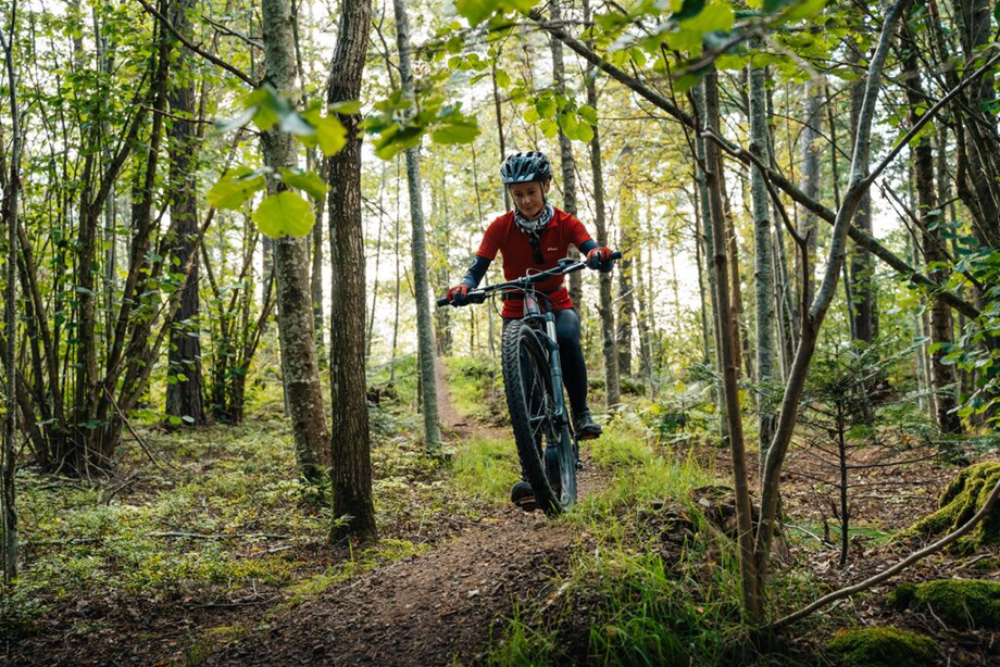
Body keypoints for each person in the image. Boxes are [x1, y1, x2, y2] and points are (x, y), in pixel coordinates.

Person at [445, 150, 615, 506]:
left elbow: (588, 245)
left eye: (531, 192)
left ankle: (581, 412)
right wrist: (464, 285)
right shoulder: (500, 227)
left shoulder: (565, 222)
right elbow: (478, 266)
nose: (525, 201)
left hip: (556, 303)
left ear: (546, 187)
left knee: (567, 336)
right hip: (516, 309)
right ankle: (531, 473)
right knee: (526, 390)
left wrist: (596, 254)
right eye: (518, 194)